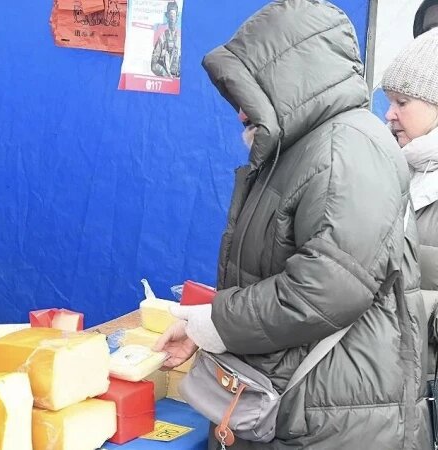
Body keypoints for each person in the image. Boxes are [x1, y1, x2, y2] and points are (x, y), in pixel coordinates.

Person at [153, 1, 429, 447]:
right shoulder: (304, 147)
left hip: (332, 420)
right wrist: (205, 331)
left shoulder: (346, 150)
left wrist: (215, 322)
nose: (240, 112)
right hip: (304, 407)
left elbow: (324, 288)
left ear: (288, 80)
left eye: (247, 93)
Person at [382, 29, 438, 380]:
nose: (389, 115)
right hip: (390, 374)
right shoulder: (389, 167)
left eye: (402, 102)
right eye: (389, 101)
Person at [150, 1, 180, 78]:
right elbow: (153, 65)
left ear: (177, 16)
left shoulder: (181, 39)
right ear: (167, 16)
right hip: (165, 80)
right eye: (170, 15)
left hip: (179, 80)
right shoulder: (162, 38)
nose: (172, 18)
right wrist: (165, 74)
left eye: (174, 15)